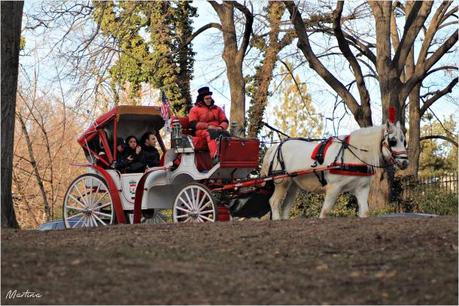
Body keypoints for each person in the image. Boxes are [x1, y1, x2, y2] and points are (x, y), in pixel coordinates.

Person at [188, 86, 229, 161]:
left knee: (226, 134)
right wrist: (208, 126)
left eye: (210, 98)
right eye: (207, 98)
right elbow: (192, 124)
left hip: (218, 129)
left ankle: (228, 157)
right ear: (201, 99)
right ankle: (215, 157)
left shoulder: (217, 108)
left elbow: (225, 121)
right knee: (210, 134)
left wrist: (221, 127)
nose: (209, 100)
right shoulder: (195, 109)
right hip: (202, 130)